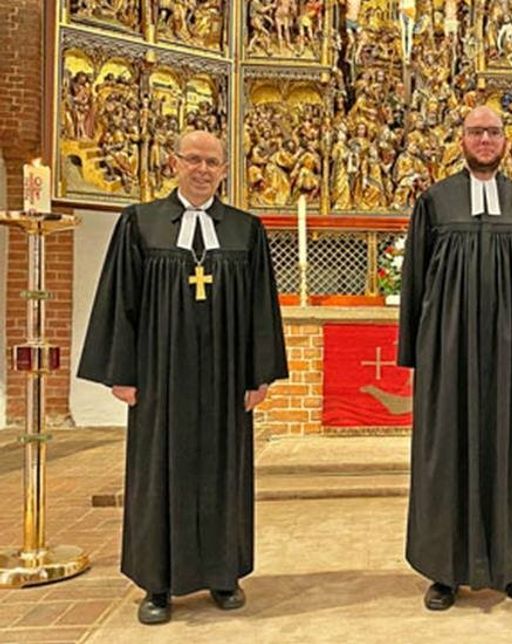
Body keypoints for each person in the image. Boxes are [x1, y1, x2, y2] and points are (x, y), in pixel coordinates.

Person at [78, 130, 288, 625]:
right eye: (192, 159)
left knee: (224, 470)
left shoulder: (244, 228)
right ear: (173, 162)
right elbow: (119, 298)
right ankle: (157, 582)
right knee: (158, 473)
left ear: (223, 169)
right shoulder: (141, 223)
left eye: (212, 162)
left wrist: (260, 375)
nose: (202, 169)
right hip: (160, 375)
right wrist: (121, 373)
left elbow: (262, 306)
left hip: (224, 378)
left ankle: (222, 574)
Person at [397, 106, 512, 611]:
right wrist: (417, 352)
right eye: (475, 132)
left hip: (510, 356)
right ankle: (444, 571)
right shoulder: (435, 202)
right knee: (445, 456)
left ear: (505, 141)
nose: (484, 139)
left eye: (493, 132)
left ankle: (509, 566)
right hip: (447, 355)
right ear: (461, 139)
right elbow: (415, 282)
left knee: (507, 455)